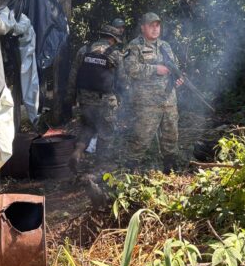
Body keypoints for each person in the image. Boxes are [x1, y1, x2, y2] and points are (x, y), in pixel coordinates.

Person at [123, 12, 183, 171]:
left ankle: (170, 167)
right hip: (147, 102)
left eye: (157, 25)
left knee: (171, 136)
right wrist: (155, 69)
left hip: (168, 100)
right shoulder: (135, 45)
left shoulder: (165, 46)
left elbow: (174, 67)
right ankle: (130, 169)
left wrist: (177, 79)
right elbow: (130, 69)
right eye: (151, 26)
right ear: (143, 27)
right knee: (141, 137)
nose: (155, 29)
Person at [65, 24, 124, 170]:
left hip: (85, 99)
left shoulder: (84, 50)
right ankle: (101, 163)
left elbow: (73, 75)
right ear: (113, 39)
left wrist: (70, 97)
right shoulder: (115, 54)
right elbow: (122, 79)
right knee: (106, 132)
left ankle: (78, 151)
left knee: (87, 127)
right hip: (105, 101)